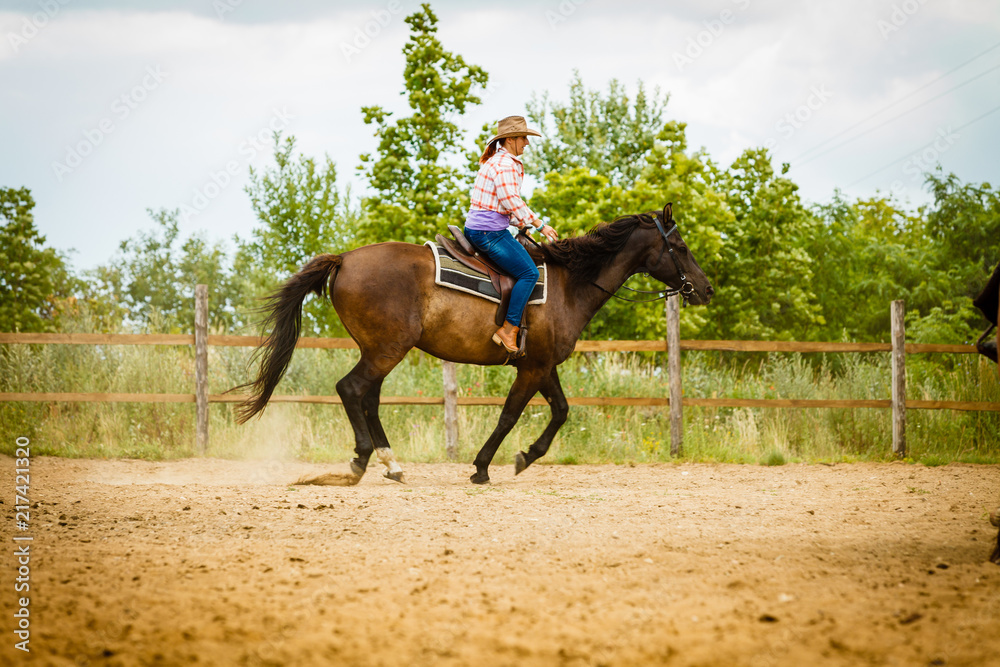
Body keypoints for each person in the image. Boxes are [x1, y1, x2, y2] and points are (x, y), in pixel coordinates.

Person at [463, 115, 559, 352]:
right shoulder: (506, 164)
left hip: (486, 227)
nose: (527, 143)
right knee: (529, 273)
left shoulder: (496, 161)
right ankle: (508, 329)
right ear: (511, 139)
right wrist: (539, 224)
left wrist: (521, 224)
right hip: (489, 232)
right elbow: (510, 199)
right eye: (524, 138)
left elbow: (504, 205)